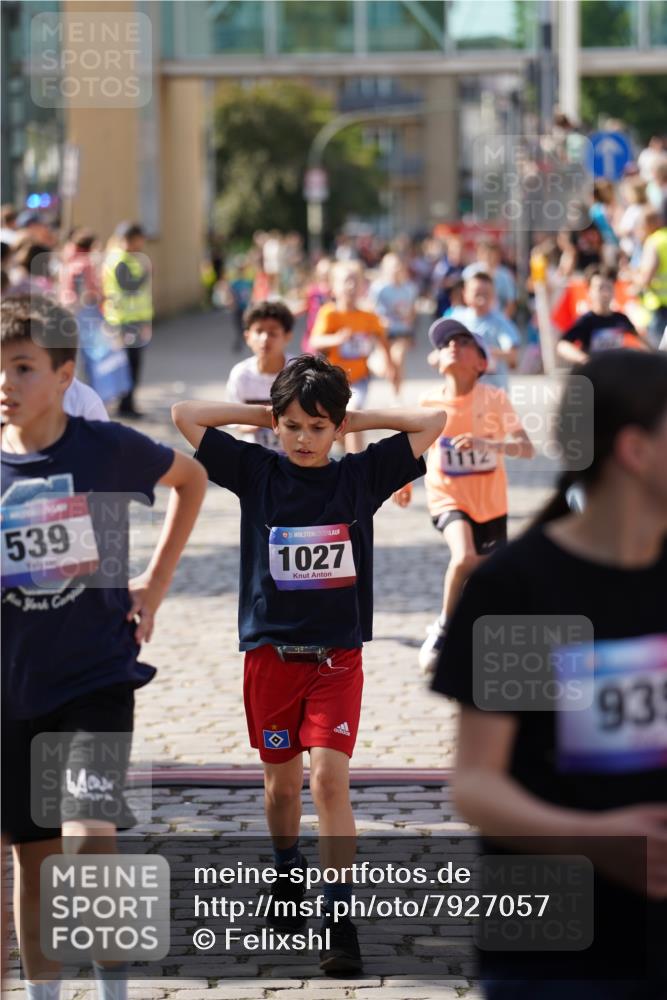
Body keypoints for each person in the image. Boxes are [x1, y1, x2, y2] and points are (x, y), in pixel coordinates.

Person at [172, 355, 446, 974]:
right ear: (276, 425)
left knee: (327, 779)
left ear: (337, 430)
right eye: (292, 425)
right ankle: (287, 871)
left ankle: (338, 916)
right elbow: (183, 414)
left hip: (335, 660)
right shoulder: (257, 471)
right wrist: (265, 415)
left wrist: (353, 421)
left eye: (318, 427)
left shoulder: (361, 477)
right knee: (281, 790)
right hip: (271, 657)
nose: (303, 438)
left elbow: (434, 418)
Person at [431, 349, 667, 998]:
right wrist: (592, 840)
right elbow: (477, 784)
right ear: (634, 450)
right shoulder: (525, 588)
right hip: (558, 952)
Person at [1, 295, 207, 1000]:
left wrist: (154, 581)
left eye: (23, 367)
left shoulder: (106, 448)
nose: (7, 383)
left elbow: (190, 479)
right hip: (11, 688)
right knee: (34, 859)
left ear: (64, 376)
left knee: (88, 839)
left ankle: (114, 988)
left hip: (92, 677)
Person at [393, 319, 533, 676]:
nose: (454, 345)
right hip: (447, 496)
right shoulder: (428, 402)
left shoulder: (495, 399)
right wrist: (403, 482)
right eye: (446, 343)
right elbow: (410, 450)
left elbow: (526, 448)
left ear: (482, 363)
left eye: (464, 341)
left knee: (488, 572)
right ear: (436, 360)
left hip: (490, 503)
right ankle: (443, 629)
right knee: (464, 556)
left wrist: (489, 443)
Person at [310, 261, 397, 452]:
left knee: (353, 413)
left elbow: (382, 342)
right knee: (338, 425)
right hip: (332, 379)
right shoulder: (329, 313)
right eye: (345, 281)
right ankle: (343, 445)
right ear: (333, 287)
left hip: (359, 377)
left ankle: (355, 462)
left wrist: (389, 365)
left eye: (355, 281)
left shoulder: (368, 316)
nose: (350, 286)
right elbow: (316, 341)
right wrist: (337, 339)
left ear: (362, 287)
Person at [225, 300, 294, 451]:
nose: (264, 339)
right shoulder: (241, 375)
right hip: (255, 455)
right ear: (247, 337)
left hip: (295, 454)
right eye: (259, 331)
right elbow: (233, 420)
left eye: (273, 332)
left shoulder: (298, 372)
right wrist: (248, 424)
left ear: (287, 336)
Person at [102, 221, 153, 418]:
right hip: (125, 321)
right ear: (131, 239)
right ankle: (125, 405)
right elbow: (129, 287)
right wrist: (146, 274)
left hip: (132, 319)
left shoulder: (126, 258)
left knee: (131, 363)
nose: (142, 243)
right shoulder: (119, 260)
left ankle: (127, 403)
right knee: (130, 364)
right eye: (140, 239)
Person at [557, 265, 648, 364]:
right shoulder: (586, 321)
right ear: (589, 291)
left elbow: (644, 343)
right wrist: (585, 360)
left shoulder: (621, 319)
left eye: (609, 287)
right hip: (595, 375)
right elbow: (562, 345)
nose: (605, 293)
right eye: (600, 288)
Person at [447, 271, 521, 391]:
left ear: (493, 296)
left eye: (486, 294)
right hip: (462, 393)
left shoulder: (500, 322)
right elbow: (440, 352)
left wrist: (486, 353)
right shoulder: (456, 318)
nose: (481, 298)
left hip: (492, 392)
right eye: (477, 293)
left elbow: (513, 355)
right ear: (465, 293)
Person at [369, 252, 419, 392]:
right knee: (387, 367)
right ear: (384, 269)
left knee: (399, 358)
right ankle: (372, 362)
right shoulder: (379, 288)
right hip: (383, 331)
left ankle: (397, 394)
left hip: (402, 331)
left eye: (398, 266)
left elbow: (413, 309)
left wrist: (410, 318)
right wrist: (379, 320)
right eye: (391, 267)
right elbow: (370, 308)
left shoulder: (410, 287)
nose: (395, 270)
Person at [636, 206, 667, 346]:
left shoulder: (654, 242)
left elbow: (646, 277)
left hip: (659, 305)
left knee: (658, 354)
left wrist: (634, 280)